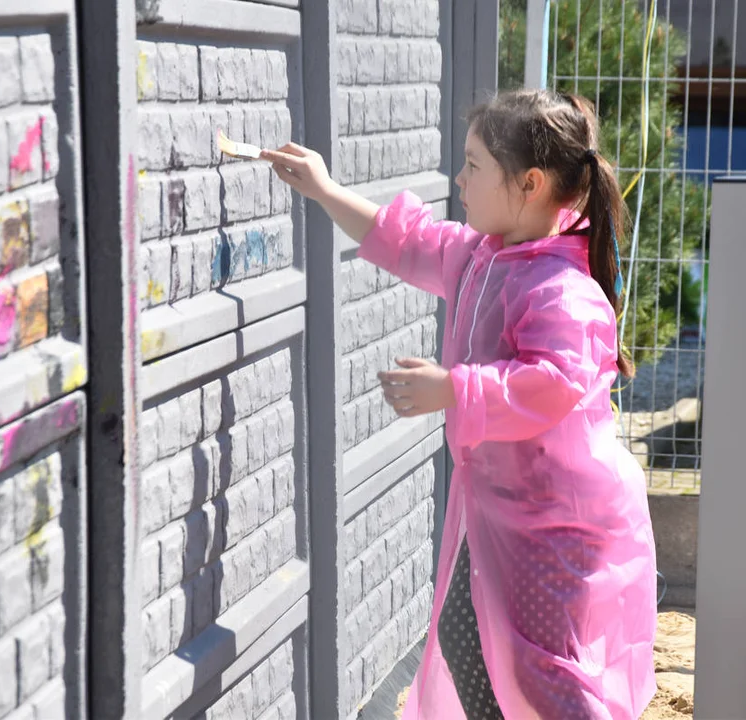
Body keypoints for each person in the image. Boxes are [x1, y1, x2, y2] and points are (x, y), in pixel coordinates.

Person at [264, 88, 658, 720]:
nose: (459, 178)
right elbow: (407, 241)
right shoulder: (484, 256)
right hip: (504, 512)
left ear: (527, 183)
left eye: (474, 165)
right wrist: (324, 188)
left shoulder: (562, 290)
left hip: (557, 525)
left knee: (542, 675)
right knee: (472, 641)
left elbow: (554, 382)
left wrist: (455, 387)